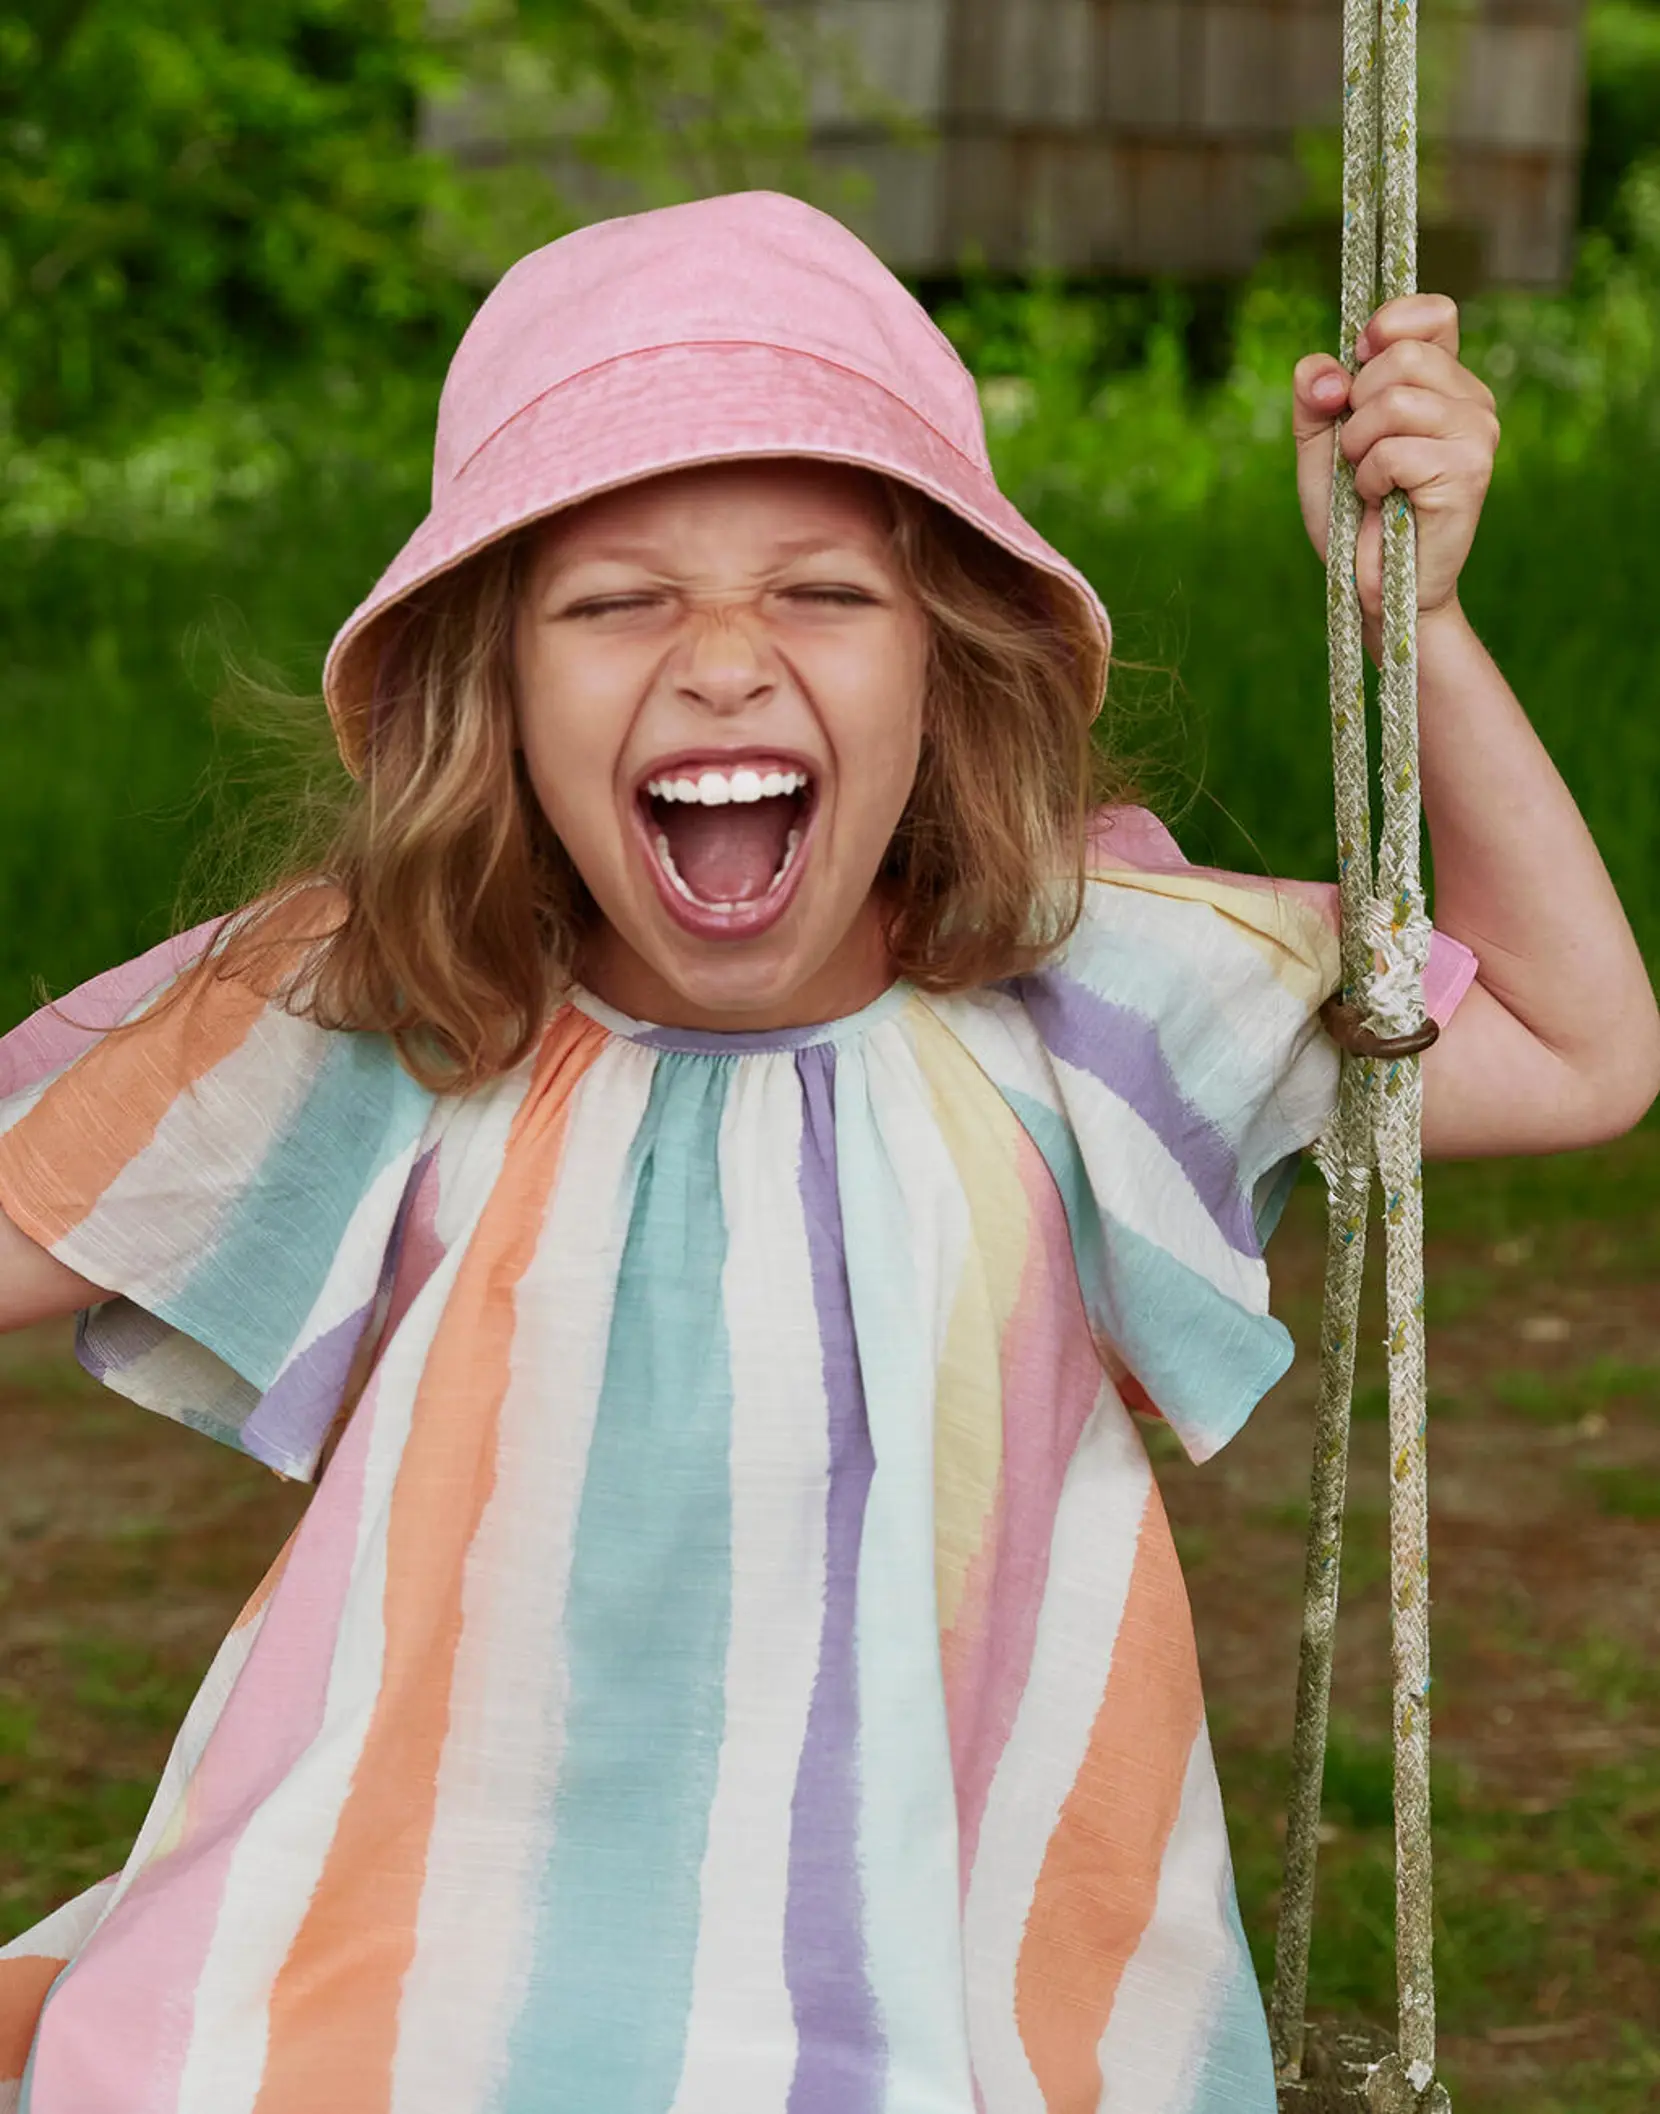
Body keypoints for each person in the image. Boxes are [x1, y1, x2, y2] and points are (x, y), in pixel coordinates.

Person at [0, 191, 1653, 2114]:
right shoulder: (399, 1005)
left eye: (822, 590)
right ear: (498, 692)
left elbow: (1577, 1049)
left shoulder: (1085, 992)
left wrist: (1417, 629)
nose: (720, 659)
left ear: (946, 666)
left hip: (946, 2009)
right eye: (616, 598)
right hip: (410, 1999)